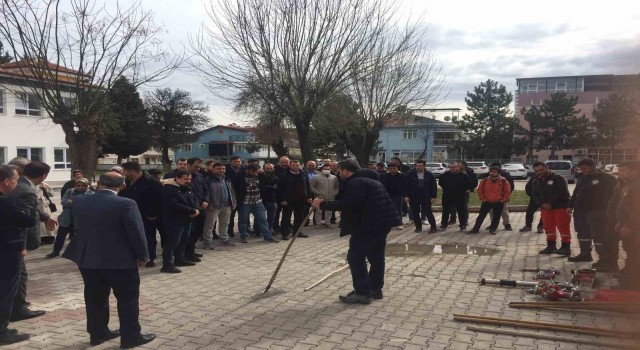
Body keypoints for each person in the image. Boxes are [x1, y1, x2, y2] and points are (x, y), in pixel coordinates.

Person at [62, 173, 156, 348]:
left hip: (88, 256)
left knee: (94, 297)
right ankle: (131, 337)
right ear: (122, 186)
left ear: (98, 184)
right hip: (120, 259)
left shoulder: (80, 201)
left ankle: (97, 334)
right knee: (127, 298)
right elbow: (136, 232)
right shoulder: (126, 203)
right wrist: (143, 255)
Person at [312, 159, 401, 304]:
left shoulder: (356, 182)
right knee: (376, 257)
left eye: (340, 171)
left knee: (355, 257)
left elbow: (350, 204)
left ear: (346, 171)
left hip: (367, 226)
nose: (339, 173)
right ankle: (375, 289)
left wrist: (322, 204)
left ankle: (362, 293)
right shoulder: (371, 180)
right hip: (381, 224)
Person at [9, 161, 54, 323]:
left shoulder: (19, 184)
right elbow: (20, 221)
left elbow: (32, 208)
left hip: (10, 241)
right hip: (14, 242)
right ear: (44, 176)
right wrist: (21, 246)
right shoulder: (25, 190)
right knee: (20, 275)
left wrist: (45, 216)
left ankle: (17, 304)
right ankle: (18, 310)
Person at [0, 165, 36, 345]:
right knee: (6, 291)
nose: (15, 185)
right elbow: (26, 221)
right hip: (6, 252)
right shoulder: (5, 201)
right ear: (6, 182)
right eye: (15, 181)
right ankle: (2, 332)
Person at [567, 158, 618, 264]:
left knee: (598, 235)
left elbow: (613, 196)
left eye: (584, 168)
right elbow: (576, 192)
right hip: (580, 211)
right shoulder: (582, 177)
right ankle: (585, 254)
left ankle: (604, 258)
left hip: (597, 212)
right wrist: (570, 205)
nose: (582, 170)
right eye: (580, 169)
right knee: (582, 233)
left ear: (593, 166)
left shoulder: (608, 178)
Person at [120, 162, 164, 267]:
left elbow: (160, 199)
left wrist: (153, 214)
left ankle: (150, 258)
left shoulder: (152, 182)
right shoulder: (126, 183)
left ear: (132, 171)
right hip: (131, 215)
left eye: (124, 171)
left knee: (149, 237)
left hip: (148, 216)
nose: (123, 173)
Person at [161, 170, 201, 273]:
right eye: (185, 179)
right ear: (177, 178)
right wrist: (191, 211)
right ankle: (167, 265)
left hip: (188, 218)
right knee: (172, 242)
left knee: (184, 240)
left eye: (189, 179)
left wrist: (196, 209)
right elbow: (173, 205)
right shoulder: (168, 189)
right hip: (174, 220)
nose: (188, 181)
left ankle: (180, 259)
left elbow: (194, 198)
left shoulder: (188, 187)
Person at [531, 162, 572, 255]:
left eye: (541, 170)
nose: (539, 172)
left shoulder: (558, 178)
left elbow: (562, 193)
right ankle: (551, 246)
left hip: (561, 207)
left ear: (547, 168)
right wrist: (542, 204)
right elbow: (534, 195)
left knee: (563, 227)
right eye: (536, 171)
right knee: (548, 227)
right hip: (545, 209)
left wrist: (551, 204)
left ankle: (566, 247)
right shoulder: (535, 181)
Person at [46, 178, 94, 258]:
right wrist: (79, 202)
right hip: (67, 218)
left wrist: (72, 201)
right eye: (78, 185)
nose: (80, 187)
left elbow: (89, 206)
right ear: (75, 185)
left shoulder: (91, 193)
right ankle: (56, 251)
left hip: (80, 219)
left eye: (83, 185)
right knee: (60, 236)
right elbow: (63, 202)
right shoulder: (70, 191)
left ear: (86, 186)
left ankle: (82, 253)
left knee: (81, 237)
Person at [611, 161, 640, 289]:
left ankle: (631, 283)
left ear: (635, 171)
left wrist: (628, 225)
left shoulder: (637, 186)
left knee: (635, 254)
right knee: (630, 252)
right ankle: (628, 274)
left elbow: (637, 209)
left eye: (624, 170)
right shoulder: (627, 185)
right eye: (620, 170)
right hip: (627, 225)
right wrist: (620, 222)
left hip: (635, 228)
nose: (620, 173)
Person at [235, 163, 279, 243]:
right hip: (245, 202)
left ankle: (268, 236)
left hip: (257, 201)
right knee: (243, 220)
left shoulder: (260, 176)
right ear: (248, 170)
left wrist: (263, 174)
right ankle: (244, 236)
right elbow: (236, 188)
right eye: (253, 172)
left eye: (257, 172)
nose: (255, 173)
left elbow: (267, 182)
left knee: (262, 220)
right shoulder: (241, 177)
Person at [468, 166, 511, 235]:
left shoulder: (504, 181)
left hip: (498, 202)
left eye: (494, 172)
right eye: (491, 172)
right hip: (486, 201)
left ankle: (493, 229)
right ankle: (475, 229)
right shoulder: (484, 180)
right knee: (481, 216)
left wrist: (503, 200)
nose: (492, 173)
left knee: (496, 217)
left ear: (499, 173)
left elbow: (507, 192)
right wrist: (482, 198)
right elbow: (480, 190)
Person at [203, 162, 236, 248]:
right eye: (219, 169)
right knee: (209, 225)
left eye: (223, 169)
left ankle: (224, 240)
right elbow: (206, 193)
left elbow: (232, 191)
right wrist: (208, 204)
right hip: (213, 206)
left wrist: (234, 202)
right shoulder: (208, 180)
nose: (221, 170)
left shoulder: (227, 179)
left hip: (227, 205)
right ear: (213, 169)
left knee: (225, 224)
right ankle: (207, 242)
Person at [278, 159, 312, 240]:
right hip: (288, 200)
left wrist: (309, 197)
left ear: (300, 166)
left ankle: (297, 232)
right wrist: (282, 199)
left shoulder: (303, 174)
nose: (296, 167)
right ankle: (284, 234)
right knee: (286, 217)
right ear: (290, 166)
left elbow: (307, 186)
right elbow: (280, 188)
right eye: (293, 165)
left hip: (301, 199)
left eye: (297, 165)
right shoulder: (285, 175)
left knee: (299, 217)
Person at [184, 158, 209, 262]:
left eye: (199, 167)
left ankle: (191, 250)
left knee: (198, 231)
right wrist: (199, 203)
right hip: (190, 209)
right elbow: (187, 194)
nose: (198, 169)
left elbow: (205, 189)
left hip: (201, 208)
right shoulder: (182, 177)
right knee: (190, 232)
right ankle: (187, 253)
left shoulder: (200, 176)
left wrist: (206, 201)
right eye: (196, 167)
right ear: (188, 165)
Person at [404, 160, 438, 233]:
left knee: (428, 212)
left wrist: (433, 197)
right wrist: (406, 196)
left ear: (424, 166)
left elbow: (434, 187)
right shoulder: (410, 174)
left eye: (420, 166)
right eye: (417, 166)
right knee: (415, 212)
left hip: (426, 196)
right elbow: (405, 186)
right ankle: (418, 227)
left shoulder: (429, 175)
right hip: (414, 196)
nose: (418, 167)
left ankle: (433, 227)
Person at [479, 163, 515, 231]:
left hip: (502, 199)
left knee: (504, 212)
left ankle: (507, 224)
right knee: (492, 212)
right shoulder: (488, 176)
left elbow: (510, 187)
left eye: (494, 170)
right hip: (490, 199)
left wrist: (505, 198)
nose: (492, 172)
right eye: (491, 170)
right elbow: (481, 186)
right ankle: (493, 225)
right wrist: (483, 198)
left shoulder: (506, 176)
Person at [439, 162, 474, 231]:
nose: (452, 168)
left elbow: (470, 184)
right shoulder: (445, 175)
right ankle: (444, 225)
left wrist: (463, 189)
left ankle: (463, 225)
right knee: (445, 211)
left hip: (460, 196)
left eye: (454, 167)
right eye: (451, 167)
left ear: (458, 167)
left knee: (461, 212)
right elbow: (440, 183)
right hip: (447, 196)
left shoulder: (463, 176)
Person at [225, 156, 246, 237]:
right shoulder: (226, 170)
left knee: (243, 216)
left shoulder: (244, 169)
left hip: (242, 195)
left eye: (238, 161)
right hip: (230, 196)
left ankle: (243, 232)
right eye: (235, 161)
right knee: (231, 216)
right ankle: (230, 231)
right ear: (231, 162)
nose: (237, 163)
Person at [380, 163, 405, 230]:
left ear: (397, 168)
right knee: (388, 209)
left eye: (394, 168)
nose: (393, 170)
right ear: (388, 169)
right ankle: (389, 223)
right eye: (391, 168)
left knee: (398, 209)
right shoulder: (385, 176)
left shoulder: (401, 175)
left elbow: (404, 185)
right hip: (387, 195)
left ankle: (399, 223)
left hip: (398, 195)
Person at [259, 163, 279, 232]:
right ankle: (258, 231)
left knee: (271, 217)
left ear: (273, 169)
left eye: (270, 168)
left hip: (272, 200)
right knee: (260, 217)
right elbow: (261, 187)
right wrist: (271, 187)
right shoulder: (259, 176)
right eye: (267, 168)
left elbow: (276, 188)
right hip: (261, 200)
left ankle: (269, 229)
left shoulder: (276, 178)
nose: (269, 170)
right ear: (264, 168)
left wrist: (267, 187)